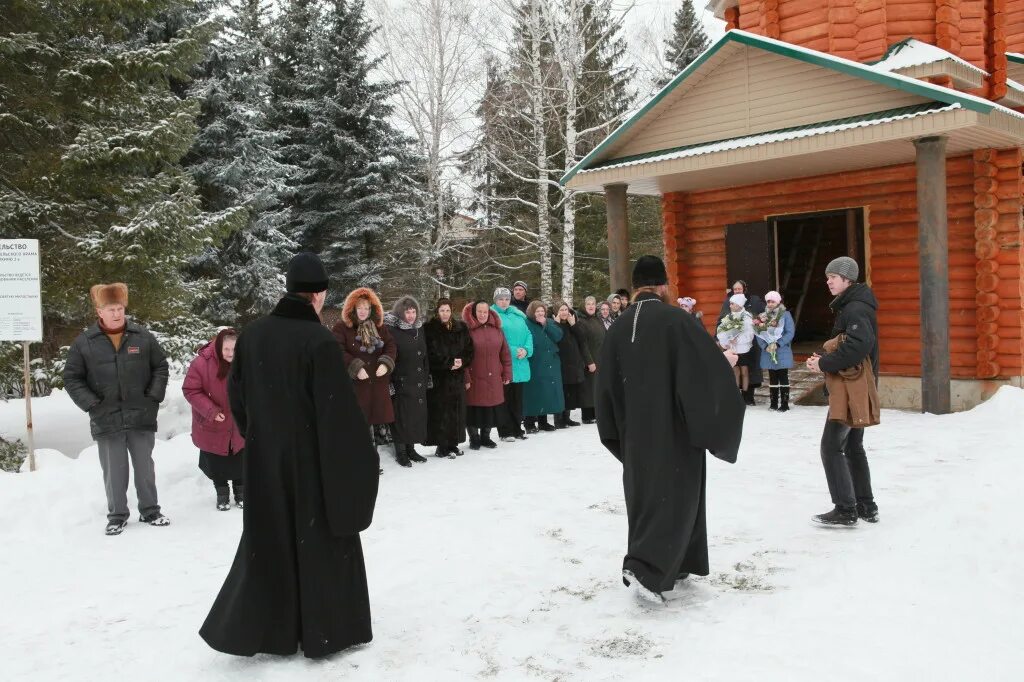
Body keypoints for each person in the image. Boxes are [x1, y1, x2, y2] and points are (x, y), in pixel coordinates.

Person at [200, 252, 379, 659]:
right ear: (319, 295)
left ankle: (274, 631)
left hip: (265, 460)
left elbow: (238, 395)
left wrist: (259, 437)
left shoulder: (253, 335)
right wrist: (357, 462)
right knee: (318, 539)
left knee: (272, 540)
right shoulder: (318, 340)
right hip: (311, 461)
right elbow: (337, 412)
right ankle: (324, 631)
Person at [596, 256, 745, 605]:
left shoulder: (617, 327)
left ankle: (677, 564)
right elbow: (703, 374)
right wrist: (725, 366)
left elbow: (604, 387)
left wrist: (618, 431)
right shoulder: (677, 320)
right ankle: (646, 569)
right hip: (674, 432)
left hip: (634, 433)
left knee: (645, 498)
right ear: (663, 286)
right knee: (675, 499)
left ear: (635, 288)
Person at [64, 282, 170, 536]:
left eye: (119, 307)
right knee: (114, 470)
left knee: (145, 467)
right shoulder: (85, 342)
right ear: (99, 311)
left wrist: (152, 397)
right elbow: (72, 377)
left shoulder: (142, 337)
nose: (116, 313)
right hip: (106, 416)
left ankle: (150, 511)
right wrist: (91, 403)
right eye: (110, 308)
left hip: (140, 414)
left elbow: (160, 366)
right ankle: (117, 515)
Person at [806, 256, 880, 527]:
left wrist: (823, 364)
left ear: (847, 279)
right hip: (857, 385)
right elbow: (850, 344)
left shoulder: (855, 308)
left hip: (852, 388)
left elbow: (859, 345)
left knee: (831, 447)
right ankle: (866, 505)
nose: (828, 281)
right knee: (852, 445)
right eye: (828, 277)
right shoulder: (855, 304)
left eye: (832, 277)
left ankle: (846, 509)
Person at [183, 328, 245, 510]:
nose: (230, 354)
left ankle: (241, 492)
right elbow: (191, 390)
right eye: (226, 349)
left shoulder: (245, 361)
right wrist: (210, 410)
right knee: (216, 461)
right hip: (212, 422)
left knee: (240, 457)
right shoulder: (202, 363)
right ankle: (222, 493)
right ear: (218, 346)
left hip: (238, 422)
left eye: (234, 350)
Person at [333, 287, 396, 457]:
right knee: (358, 422)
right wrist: (354, 366)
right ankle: (362, 458)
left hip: (376, 382)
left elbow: (390, 346)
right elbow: (336, 350)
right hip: (356, 384)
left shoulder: (380, 327)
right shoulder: (342, 328)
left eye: (366, 308)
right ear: (352, 308)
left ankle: (373, 457)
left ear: (372, 309)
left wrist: (386, 362)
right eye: (359, 307)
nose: (363, 311)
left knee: (375, 420)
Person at [424, 299, 474, 458]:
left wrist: (462, 362)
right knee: (440, 412)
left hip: (457, 377)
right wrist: (447, 363)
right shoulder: (429, 329)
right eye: (442, 311)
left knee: (456, 412)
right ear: (437, 312)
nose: (445, 314)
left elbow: (469, 349)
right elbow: (429, 354)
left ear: (451, 311)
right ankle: (442, 446)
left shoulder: (461, 327)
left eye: (447, 310)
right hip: (440, 378)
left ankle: (453, 444)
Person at [384, 296, 430, 467]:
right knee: (401, 417)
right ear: (400, 312)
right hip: (400, 381)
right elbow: (388, 356)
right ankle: (401, 452)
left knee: (414, 417)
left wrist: (426, 377)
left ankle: (411, 449)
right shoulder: (391, 330)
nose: (411, 315)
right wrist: (390, 382)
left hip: (417, 380)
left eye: (413, 312)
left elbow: (425, 356)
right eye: (407, 312)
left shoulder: (419, 329)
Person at [461, 300, 512, 450]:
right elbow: (462, 355)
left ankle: (486, 436)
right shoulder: (466, 330)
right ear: (474, 313)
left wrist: (507, 373)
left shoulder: (497, 330)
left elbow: (505, 353)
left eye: (485, 311)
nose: (482, 314)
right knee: (474, 410)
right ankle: (474, 438)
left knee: (490, 408)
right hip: (474, 377)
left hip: (494, 377)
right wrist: (466, 377)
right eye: (479, 312)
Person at [492, 287, 533, 442]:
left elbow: (528, 333)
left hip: (521, 362)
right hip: (505, 362)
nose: (504, 302)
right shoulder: (493, 315)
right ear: (495, 300)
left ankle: (517, 428)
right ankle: (505, 431)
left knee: (517, 399)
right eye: (501, 299)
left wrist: (527, 350)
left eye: (506, 299)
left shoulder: (517, 314)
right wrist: (515, 350)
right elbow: (497, 338)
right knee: (505, 399)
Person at [720, 280, 765, 404]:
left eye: (739, 289)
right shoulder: (727, 303)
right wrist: (723, 339)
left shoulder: (754, 301)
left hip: (748, 345)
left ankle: (748, 397)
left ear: (744, 289)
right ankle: (736, 396)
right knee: (735, 370)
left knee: (748, 371)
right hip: (733, 346)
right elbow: (721, 322)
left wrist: (759, 322)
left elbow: (762, 315)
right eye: (735, 289)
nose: (737, 291)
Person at [522, 300, 564, 432]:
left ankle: (543, 422)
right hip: (535, 361)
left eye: (542, 311)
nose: (540, 314)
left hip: (549, 363)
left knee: (545, 392)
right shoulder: (526, 323)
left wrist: (545, 323)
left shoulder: (548, 322)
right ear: (531, 312)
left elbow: (558, 336)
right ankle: (529, 423)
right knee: (533, 392)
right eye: (537, 311)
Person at [754, 291, 796, 412]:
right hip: (768, 351)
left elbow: (790, 332)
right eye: (768, 301)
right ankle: (773, 403)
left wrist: (778, 343)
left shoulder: (785, 315)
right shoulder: (762, 316)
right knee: (772, 376)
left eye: (773, 301)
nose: (770, 304)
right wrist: (765, 346)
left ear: (778, 302)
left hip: (782, 350)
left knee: (783, 375)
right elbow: (758, 333)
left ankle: (784, 403)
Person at [552, 301, 589, 428]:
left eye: (565, 310)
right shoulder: (553, 324)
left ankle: (566, 417)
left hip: (573, 363)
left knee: (570, 391)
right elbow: (554, 338)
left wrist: (574, 325)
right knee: (561, 391)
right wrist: (556, 323)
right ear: (557, 312)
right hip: (560, 362)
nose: (564, 312)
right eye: (561, 310)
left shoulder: (572, 323)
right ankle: (558, 419)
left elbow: (582, 338)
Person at [718, 294, 756, 397]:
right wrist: (727, 340)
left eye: (732, 304)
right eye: (730, 303)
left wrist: (737, 340)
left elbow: (750, 333)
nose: (730, 306)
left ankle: (746, 395)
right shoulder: (728, 317)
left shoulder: (746, 316)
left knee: (744, 371)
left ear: (739, 305)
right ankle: (736, 395)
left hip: (744, 349)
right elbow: (721, 330)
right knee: (735, 371)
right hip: (732, 349)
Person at [575, 296, 606, 424]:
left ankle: (596, 412)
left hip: (600, 358)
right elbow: (583, 344)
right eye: (588, 304)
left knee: (597, 387)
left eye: (593, 304)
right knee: (588, 388)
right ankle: (587, 415)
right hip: (589, 360)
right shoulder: (581, 321)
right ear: (584, 305)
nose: (591, 306)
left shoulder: (598, 319)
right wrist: (589, 361)